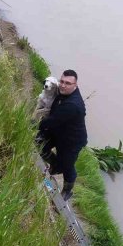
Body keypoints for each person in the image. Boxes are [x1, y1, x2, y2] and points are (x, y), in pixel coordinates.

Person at [37, 69, 87, 200]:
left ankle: (67, 191)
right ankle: (55, 165)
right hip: (60, 131)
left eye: (68, 83)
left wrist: (36, 125)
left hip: (72, 140)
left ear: (75, 85)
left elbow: (52, 121)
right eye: (62, 81)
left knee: (67, 166)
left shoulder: (73, 105)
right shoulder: (63, 91)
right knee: (39, 143)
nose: (63, 85)